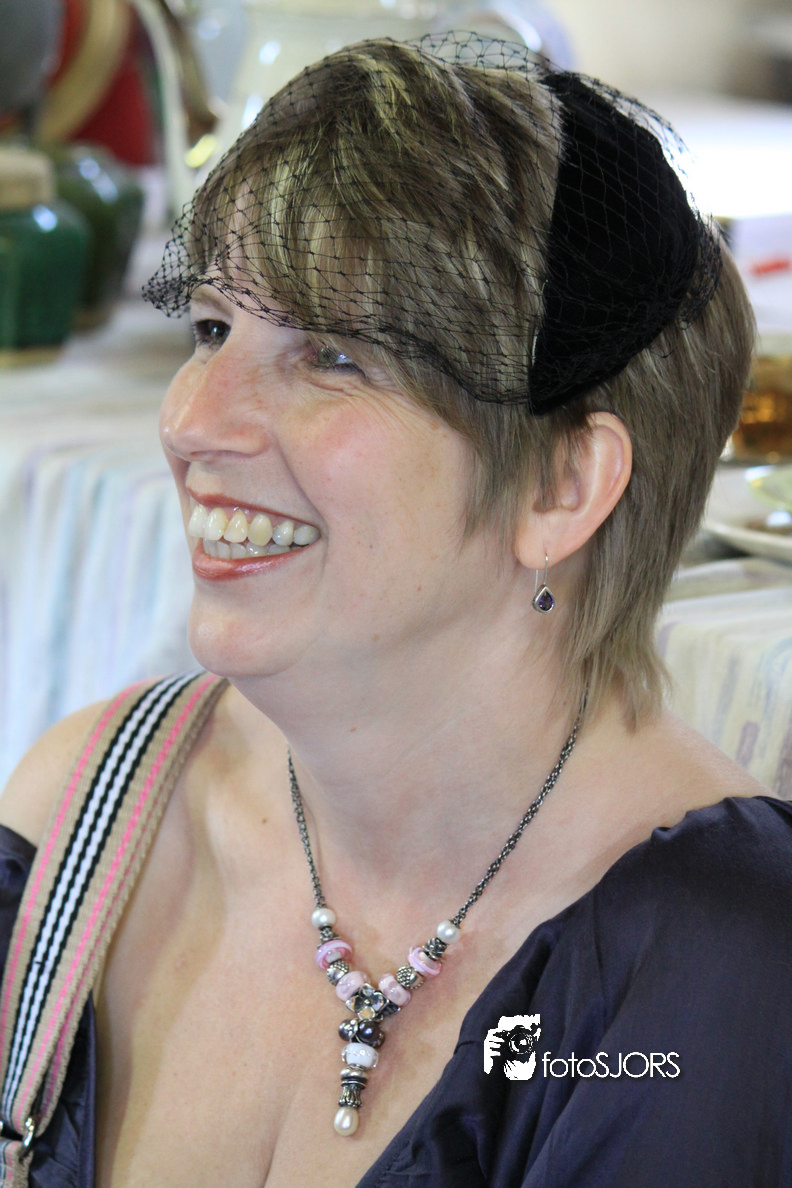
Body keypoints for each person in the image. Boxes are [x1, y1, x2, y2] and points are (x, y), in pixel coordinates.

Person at [0, 32, 789, 1188]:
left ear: (561, 486)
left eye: (331, 355)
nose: (191, 422)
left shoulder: (713, 978)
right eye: (212, 329)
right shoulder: (87, 814)